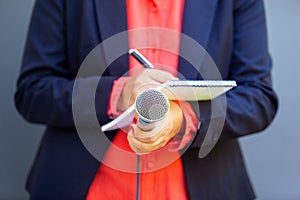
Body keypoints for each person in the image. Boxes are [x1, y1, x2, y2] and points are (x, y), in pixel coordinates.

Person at [14, 0, 278, 199]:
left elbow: (258, 98)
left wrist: (183, 118)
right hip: (88, 188)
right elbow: (33, 92)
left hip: (205, 186)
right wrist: (119, 94)